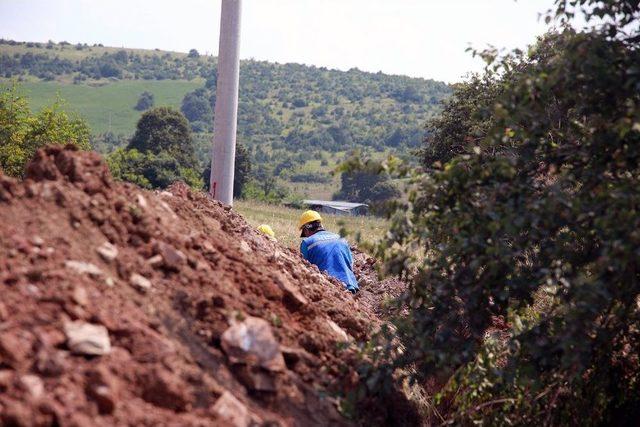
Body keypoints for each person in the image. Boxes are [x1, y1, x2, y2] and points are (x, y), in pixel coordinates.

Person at [298, 210, 359, 294]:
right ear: (320, 224)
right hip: (351, 285)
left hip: (328, 287)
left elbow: (303, 269)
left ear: (306, 230)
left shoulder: (307, 243)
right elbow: (350, 264)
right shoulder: (341, 238)